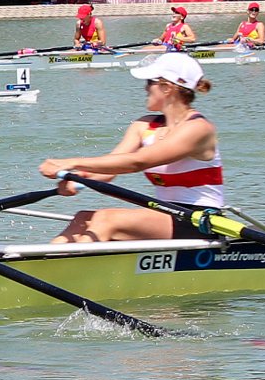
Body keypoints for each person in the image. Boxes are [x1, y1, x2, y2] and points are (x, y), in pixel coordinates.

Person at [36, 53, 220, 243]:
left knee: (106, 219)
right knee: (82, 219)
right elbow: (110, 168)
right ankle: (41, 259)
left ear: (166, 87)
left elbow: (137, 162)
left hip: (200, 220)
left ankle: (71, 261)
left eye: (149, 82)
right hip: (165, 213)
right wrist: (77, 179)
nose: (145, 88)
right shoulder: (144, 126)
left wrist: (69, 162)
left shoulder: (198, 129)